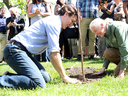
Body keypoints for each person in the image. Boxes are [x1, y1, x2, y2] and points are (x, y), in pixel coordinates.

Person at [0, 5, 80, 89]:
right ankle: (2, 80)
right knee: (38, 83)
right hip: (14, 51)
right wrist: (65, 77)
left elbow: (53, 56)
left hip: (22, 52)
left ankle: (9, 76)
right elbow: (54, 54)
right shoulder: (54, 23)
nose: (71, 25)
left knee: (46, 79)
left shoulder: (55, 21)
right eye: (72, 21)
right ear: (66, 14)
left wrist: (62, 74)